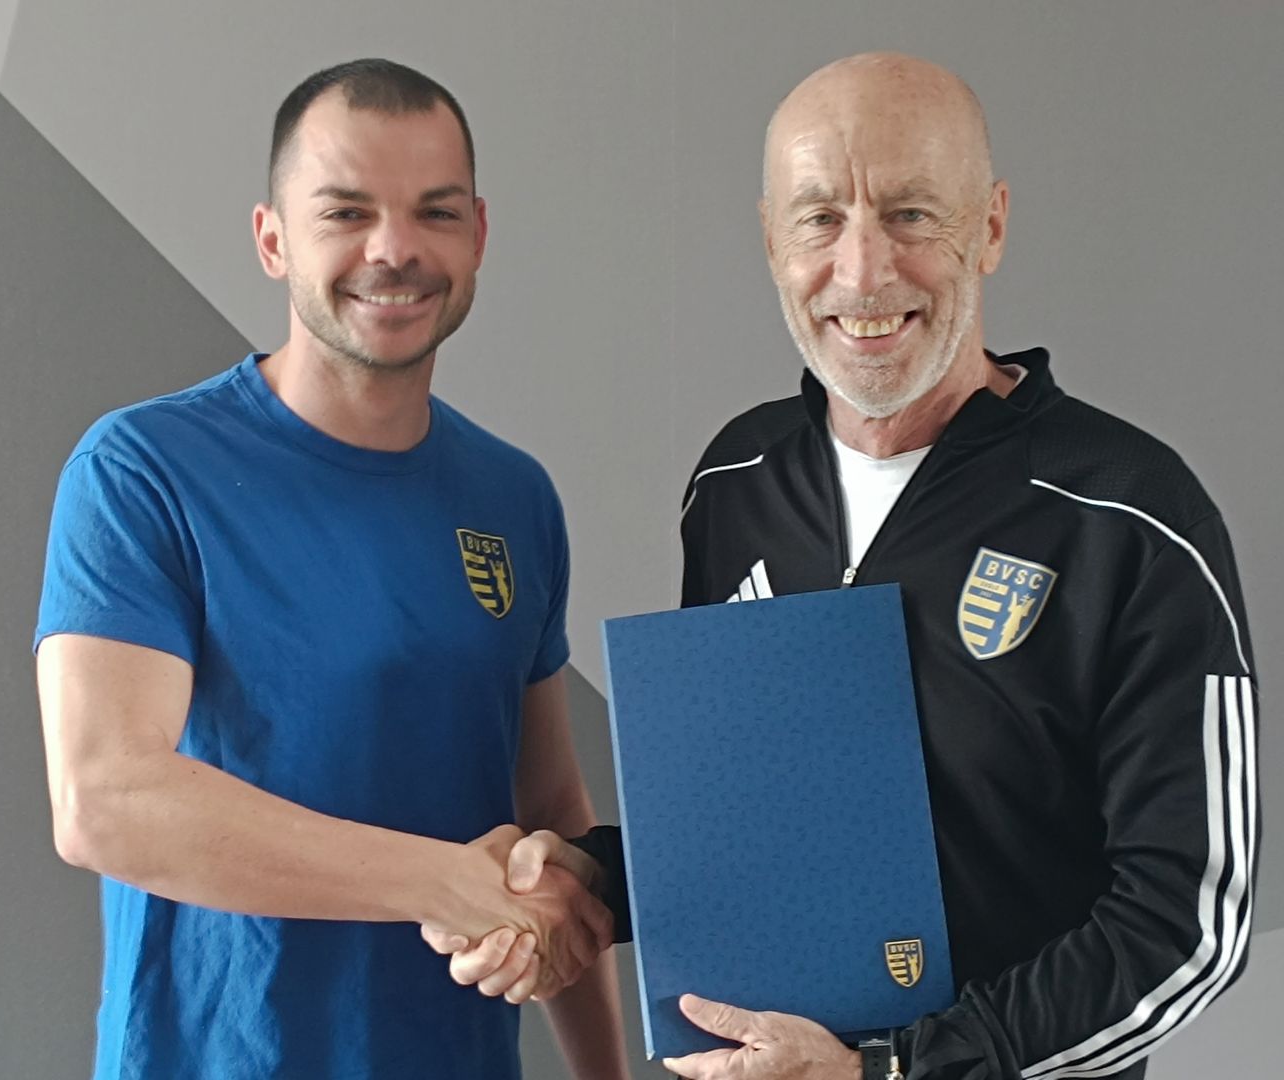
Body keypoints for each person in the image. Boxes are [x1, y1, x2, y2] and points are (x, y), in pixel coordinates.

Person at [428, 52, 1259, 1080]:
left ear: (991, 227)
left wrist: (895, 1070)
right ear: (771, 239)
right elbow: (764, 822)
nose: (863, 272)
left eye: (911, 214)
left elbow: (1189, 925)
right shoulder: (735, 481)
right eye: (819, 218)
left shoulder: (1128, 514)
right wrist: (593, 880)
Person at [34, 58, 627, 1080]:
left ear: (478, 237)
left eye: (435, 213)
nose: (393, 250)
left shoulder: (513, 497)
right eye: (347, 213)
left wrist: (603, 1073)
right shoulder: (142, 470)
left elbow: (549, 816)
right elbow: (106, 800)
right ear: (273, 239)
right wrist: (441, 882)